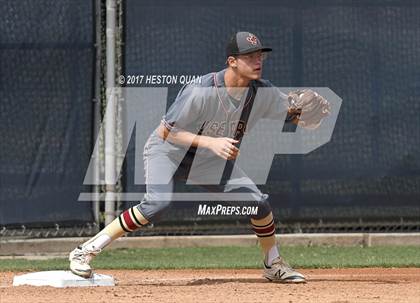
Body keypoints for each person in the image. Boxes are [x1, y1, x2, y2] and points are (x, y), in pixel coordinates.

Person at [69, 31, 329, 283]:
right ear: (232, 62)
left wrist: (305, 114)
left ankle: (273, 264)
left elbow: (294, 112)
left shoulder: (262, 92)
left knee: (259, 205)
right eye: (250, 56)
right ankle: (85, 251)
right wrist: (210, 142)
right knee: (157, 204)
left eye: (260, 55)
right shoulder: (201, 90)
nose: (258, 61)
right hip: (167, 151)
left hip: (207, 160)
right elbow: (167, 132)